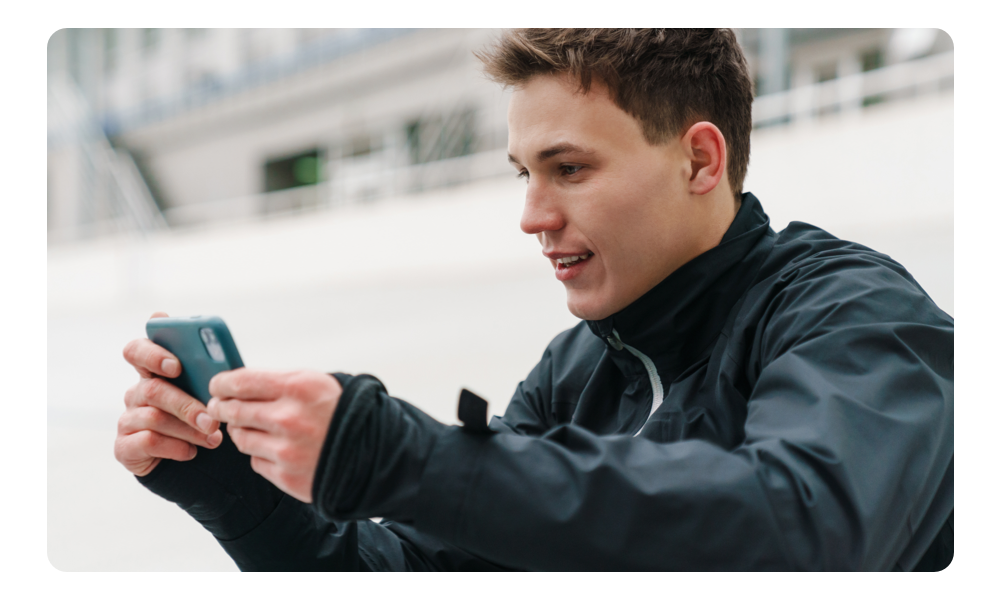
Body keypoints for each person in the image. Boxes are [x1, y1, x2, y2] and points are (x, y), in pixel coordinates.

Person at [114, 28, 972, 571]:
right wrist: (239, 492)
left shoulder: (854, 310)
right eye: (525, 174)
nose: (532, 216)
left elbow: (805, 529)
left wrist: (406, 458)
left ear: (701, 161)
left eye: (570, 169)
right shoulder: (582, 369)